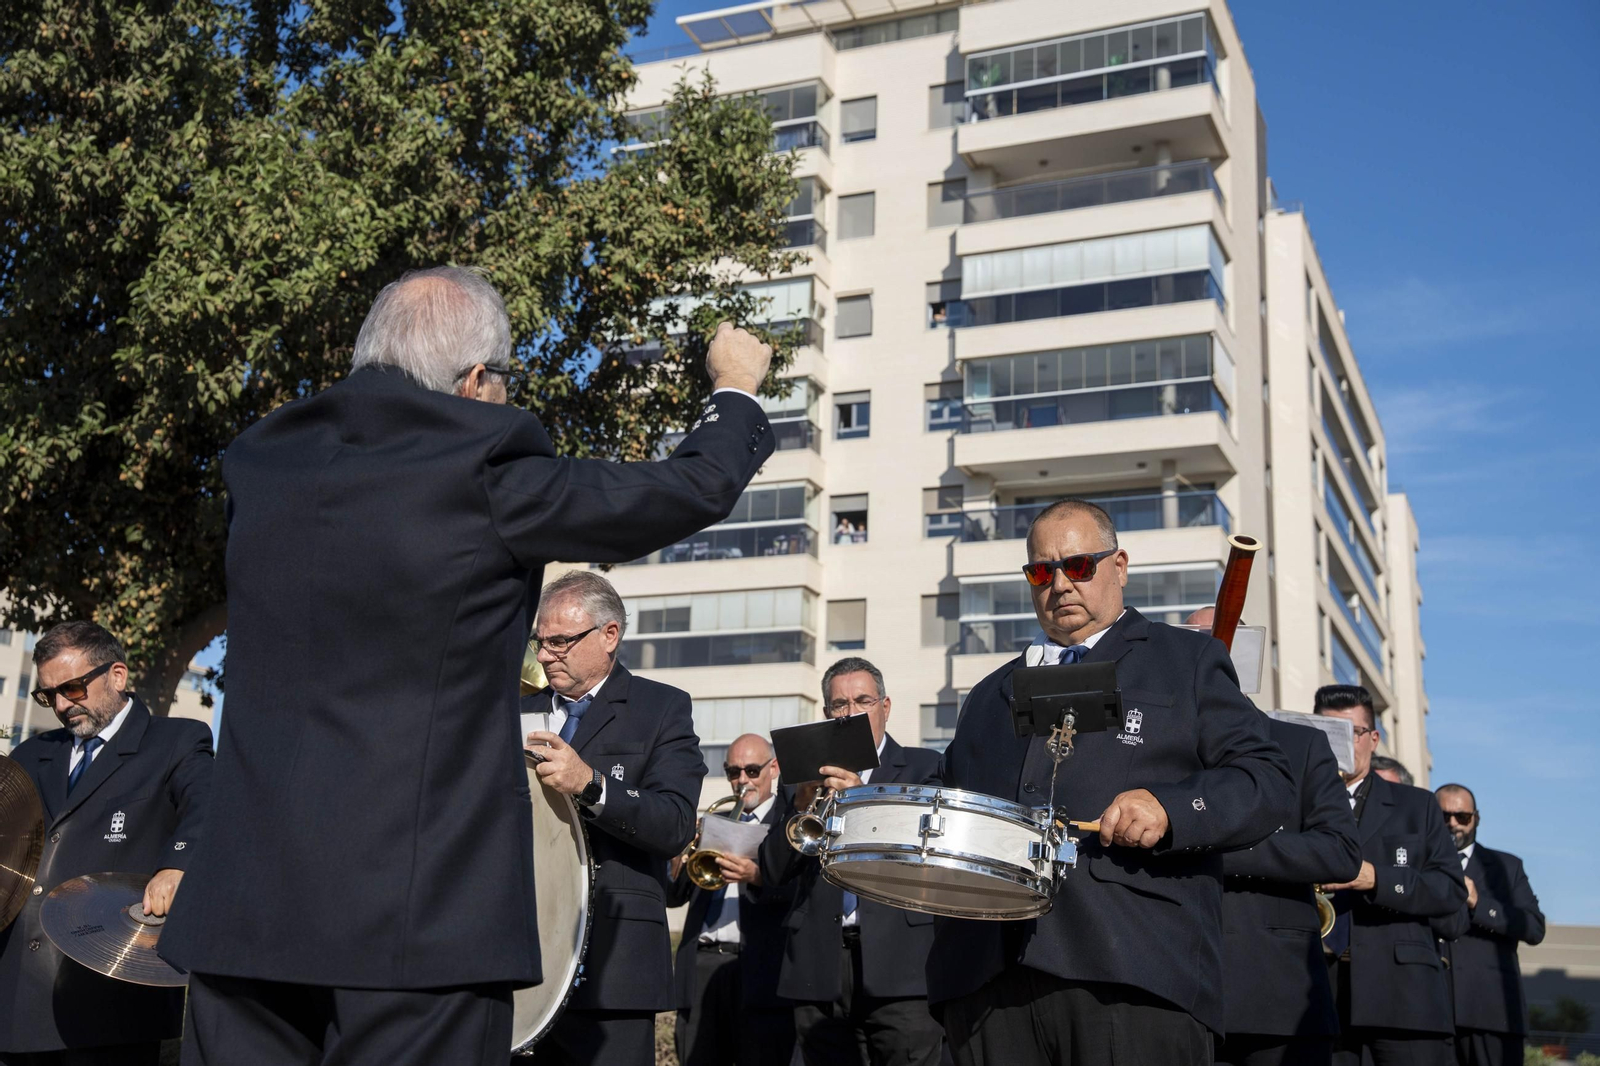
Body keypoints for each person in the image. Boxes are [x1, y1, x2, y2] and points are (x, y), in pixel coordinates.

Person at [158, 266, 776, 1066]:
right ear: (478, 380)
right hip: (416, 919)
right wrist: (734, 390)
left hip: (241, 912)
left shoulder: (262, 465)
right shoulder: (481, 469)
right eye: (506, 381)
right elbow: (687, 487)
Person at [931, 499, 1295, 1066]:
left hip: (1133, 968)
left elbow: (1266, 780)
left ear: (1119, 566)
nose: (1058, 584)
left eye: (1078, 566)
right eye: (1040, 571)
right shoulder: (987, 695)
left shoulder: (1187, 661)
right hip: (986, 981)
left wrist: (1171, 809)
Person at [0, 621, 212, 1066]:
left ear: (116, 675)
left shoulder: (177, 742)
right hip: (16, 998)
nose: (60, 705)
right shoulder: (30, 755)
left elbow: (211, 807)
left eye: (73, 688)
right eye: (48, 694)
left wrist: (179, 865)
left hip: (110, 1002)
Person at [518, 570, 704, 1065]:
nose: (544, 655)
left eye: (560, 642)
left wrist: (591, 785)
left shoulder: (662, 708)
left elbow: (675, 823)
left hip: (614, 962)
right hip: (519, 955)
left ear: (609, 634)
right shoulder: (511, 710)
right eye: (540, 641)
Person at [758, 658, 945, 1066]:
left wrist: (862, 798)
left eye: (863, 701)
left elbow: (926, 853)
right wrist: (801, 806)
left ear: (886, 706)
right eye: (839, 705)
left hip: (901, 965)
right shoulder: (803, 778)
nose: (850, 713)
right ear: (827, 714)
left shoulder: (925, 767)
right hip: (818, 966)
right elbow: (772, 871)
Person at [1314, 685, 1468, 1066]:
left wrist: (1376, 879)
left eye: (1351, 732)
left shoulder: (1417, 805)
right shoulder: (1294, 802)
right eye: (1326, 733)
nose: (1340, 744)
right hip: (1316, 997)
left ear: (1374, 739)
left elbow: (1449, 891)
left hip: (1403, 999)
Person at [666, 733, 795, 1066]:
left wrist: (756, 875)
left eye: (752, 770)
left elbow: (800, 892)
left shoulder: (789, 823)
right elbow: (674, 895)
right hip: (703, 965)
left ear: (774, 768)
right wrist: (680, 848)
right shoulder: (716, 820)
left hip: (762, 967)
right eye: (733, 771)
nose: (742, 781)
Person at [1433, 785, 1545, 1066]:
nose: (1453, 823)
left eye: (1462, 816)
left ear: (1476, 819)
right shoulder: (1416, 865)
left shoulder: (1507, 867)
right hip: (1428, 1012)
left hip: (1490, 1014)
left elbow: (1533, 928)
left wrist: (1479, 903)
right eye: (1443, 815)